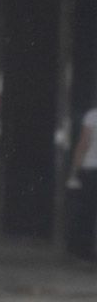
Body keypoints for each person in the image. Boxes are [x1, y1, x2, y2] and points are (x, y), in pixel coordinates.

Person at [69, 102, 97, 262]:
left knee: (88, 211)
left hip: (90, 168)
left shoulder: (92, 116)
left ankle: (85, 250)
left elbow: (83, 143)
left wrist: (74, 170)